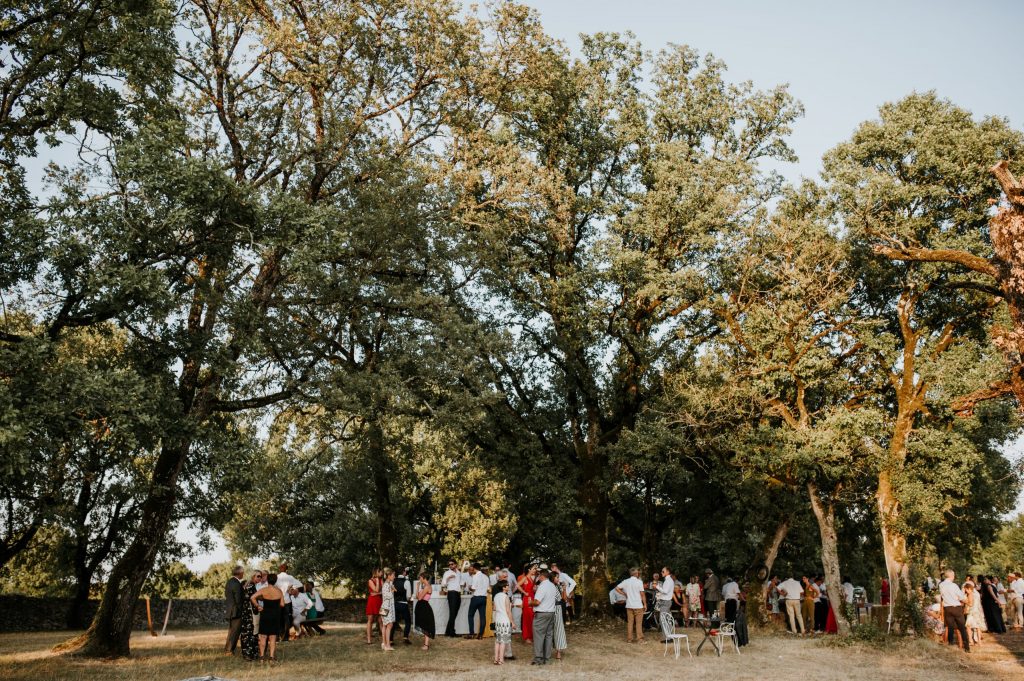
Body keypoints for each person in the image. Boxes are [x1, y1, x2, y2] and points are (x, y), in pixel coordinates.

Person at [252, 573, 284, 663]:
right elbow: (282, 604)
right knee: (273, 637)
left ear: (267, 580)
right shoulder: (279, 591)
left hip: (265, 614)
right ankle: (271, 658)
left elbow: (252, 597)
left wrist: (258, 606)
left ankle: (262, 658)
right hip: (275, 615)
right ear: (276, 581)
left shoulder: (264, 590)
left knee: (263, 637)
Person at [531, 569, 558, 665]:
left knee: (538, 636)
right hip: (551, 613)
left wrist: (530, 603)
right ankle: (547, 658)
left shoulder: (542, 586)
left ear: (542, 576)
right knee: (548, 636)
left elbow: (537, 602)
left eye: (538, 576)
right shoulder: (552, 586)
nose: (538, 577)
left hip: (542, 613)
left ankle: (538, 658)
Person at [939, 569, 970, 652]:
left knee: (950, 627)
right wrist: (967, 601)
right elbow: (961, 597)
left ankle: (950, 645)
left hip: (947, 608)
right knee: (962, 627)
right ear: (951, 576)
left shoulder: (941, 585)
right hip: (956, 607)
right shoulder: (954, 585)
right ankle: (966, 647)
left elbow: (942, 597)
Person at [615, 567, 647, 643]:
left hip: (629, 605)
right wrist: (645, 604)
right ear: (636, 574)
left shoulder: (626, 581)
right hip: (638, 605)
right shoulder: (639, 582)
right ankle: (639, 639)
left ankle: (629, 639)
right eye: (638, 572)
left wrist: (624, 594)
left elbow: (617, 588)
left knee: (630, 623)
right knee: (638, 623)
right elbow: (642, 594)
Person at [240, 570, 262, 661]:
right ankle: (249, 654)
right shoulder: (251, 586)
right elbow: (250, 599)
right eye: (258, 576)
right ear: (253, 576)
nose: (260, 578)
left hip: (247, 612)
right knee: (250, 633)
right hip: (250, 613)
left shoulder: (249, 585)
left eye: (261, 576)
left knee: (249, 633)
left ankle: (250, 654)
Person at [224, 565, 246, 655]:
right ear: (240, 573)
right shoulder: (237, 584)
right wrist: (242, 610)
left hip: (230, 610)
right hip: (236, 611)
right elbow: (238, 600)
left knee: (231, 631)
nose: (243, 574)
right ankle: (229, 650)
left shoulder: (229, 582)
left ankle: (227, 649)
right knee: (235, 631)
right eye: (243, 572)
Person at [492, 579, 514, 665]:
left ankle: (496, 659)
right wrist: (513, 622)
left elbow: (494, 608)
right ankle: (501, 660)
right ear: (504, 587)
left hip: (498, 619)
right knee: (503, 641)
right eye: (507, 585)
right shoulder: (506, 597)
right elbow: (508, 611)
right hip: (505, 620)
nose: (508, 587)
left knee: (497, 641)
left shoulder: (496, 596)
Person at [466, 562, 489, 639]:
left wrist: (469, 587)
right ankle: (480, 635)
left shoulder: (475, 576)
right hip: (484, 598)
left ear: (474, 568)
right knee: (482, 616)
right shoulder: (486, 577)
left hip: (476, 598)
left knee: (470, 615)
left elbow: (473, 588)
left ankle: (471, 633)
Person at [391, 567, 413, 645]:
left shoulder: (393, 581)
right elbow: (408, 596)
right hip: (403, 604)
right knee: (408, 621)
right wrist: (407, 599)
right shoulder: (406, 582)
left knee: (393, 622)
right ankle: (405, 638)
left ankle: (391, 640)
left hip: (395, 604)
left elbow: (392, 593)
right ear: (404, 572)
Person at [276, 563, 298, 642]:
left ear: (279, 569)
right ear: (286, 569)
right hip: (287, 600)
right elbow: (298, 586)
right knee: (286, 619)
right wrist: (290, 589)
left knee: (278, 618)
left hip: (278, 600)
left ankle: (278, 636)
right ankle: (285, 637)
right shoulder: (290, 577)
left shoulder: (276, 577)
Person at [414, 572, 435, 650]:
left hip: (424, 607)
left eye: (420, 578)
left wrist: (419, 589)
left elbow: (419, 598)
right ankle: (425, 644)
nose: (419, 579)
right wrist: (417, 587)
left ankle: (426, 645)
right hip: (421, 606)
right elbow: (417, 596)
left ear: (423, 577)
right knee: (424, 624)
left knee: (426, 625)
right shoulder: (424, 587)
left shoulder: (427, 586)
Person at [441, 560, 462, 638]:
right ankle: (452, 632)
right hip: (451, 593)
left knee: (455, 613)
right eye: (449, 564)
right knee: (452, 613)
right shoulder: (447, 573)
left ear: (455, 564)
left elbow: (460, 583)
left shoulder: (459, 573)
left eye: (452, 564)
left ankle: (447, 631)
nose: (450, 565)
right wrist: (448, 578)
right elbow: (443, 584)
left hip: (458, 593)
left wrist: (464, 584)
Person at [518, 564, 537, 643]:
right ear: (529, 570)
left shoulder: (532, 578)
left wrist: (535, 589)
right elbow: (517, 585)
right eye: (534, 569)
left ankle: (531, 635)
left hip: (532, 598)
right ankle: (527, 637)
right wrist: (524, 592)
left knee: (532, 617)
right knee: (527, 617)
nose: (535, 570)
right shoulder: (525, 578)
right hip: (527, 599)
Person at [551, 572, 568, 659]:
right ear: (552, 577)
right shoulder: (549, 586)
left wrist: (564, 589)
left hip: (558, 608)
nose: (558, 579)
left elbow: (564, 599)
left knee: (559, 630)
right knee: (549, 630)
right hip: (549, 608)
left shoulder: (558, 586)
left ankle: (558, 652)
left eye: (558, 577)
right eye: (557, 577)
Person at [365, 568, 383, 644]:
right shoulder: (370, 581)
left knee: (381, 620)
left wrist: (378, 593)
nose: (381, 573)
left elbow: (383, 592)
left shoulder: (381, 580)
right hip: (372, 601)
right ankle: (369, 640)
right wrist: (377, 581)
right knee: (370, 620)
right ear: (376, 572)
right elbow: (376, 589)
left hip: (379, 601)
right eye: (380, 572)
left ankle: (384, 640)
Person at [380, 568, 396, 651]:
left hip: (385, 607)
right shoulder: (386, 585)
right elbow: (387, 596)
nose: (394, 577)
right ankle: (387, 645)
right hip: (386, 607)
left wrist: (392, 586)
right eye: (393, 575)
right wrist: (392, 590)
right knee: (389, 625)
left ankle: (384, 643)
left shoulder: (389, 583)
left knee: (385, 625)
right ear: (389, 576)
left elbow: (391, 584)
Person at [964, 581, 985, 647]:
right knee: (978, 627)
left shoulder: (970, 594)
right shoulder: (977, 594)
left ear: (969, 589)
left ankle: (971, 641)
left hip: (972, 612)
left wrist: (965, 601)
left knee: (968, 626)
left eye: (966, 590)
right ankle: (979, 642)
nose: (966, 591)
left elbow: (971, 604)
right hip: (977, 612)